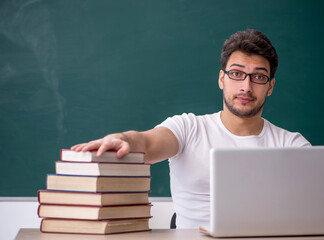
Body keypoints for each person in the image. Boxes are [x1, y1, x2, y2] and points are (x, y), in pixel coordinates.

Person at [71, 29, 311, 229]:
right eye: (236, 74)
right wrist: (122, 138)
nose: (246, 87)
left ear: (270, 87)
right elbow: (146, 142)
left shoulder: (293, 146)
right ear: (221, 79)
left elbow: (308, 215)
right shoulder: (188, 128)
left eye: (258, 77)